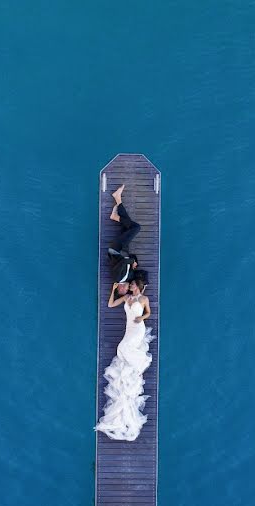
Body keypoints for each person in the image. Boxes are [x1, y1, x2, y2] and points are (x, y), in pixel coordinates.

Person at [95, 278, 154, 441]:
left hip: (138, 329)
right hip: (129, 330)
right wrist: (113, 289)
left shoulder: (143, 299)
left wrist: (141, 318)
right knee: (122, 348)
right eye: (131, 284)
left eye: (133, 284)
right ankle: (138, 363)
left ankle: (141, 362)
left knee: (122, 348)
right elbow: (110, 304)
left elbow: (148, 312)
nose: (130, 286)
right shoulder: (127, 298)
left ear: (138, 287)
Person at [107, 184, 141, 290]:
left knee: (136, 227)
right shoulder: (127, 277)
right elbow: (128, 261)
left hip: (116, 249)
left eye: (127, 289)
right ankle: (117, 200)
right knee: (128, 225)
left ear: (121, 289)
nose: (128, 287)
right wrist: (134, 265)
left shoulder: (117, 278)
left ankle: (117, 208)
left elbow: (122, 262)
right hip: (123, 249)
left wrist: (132, 263)